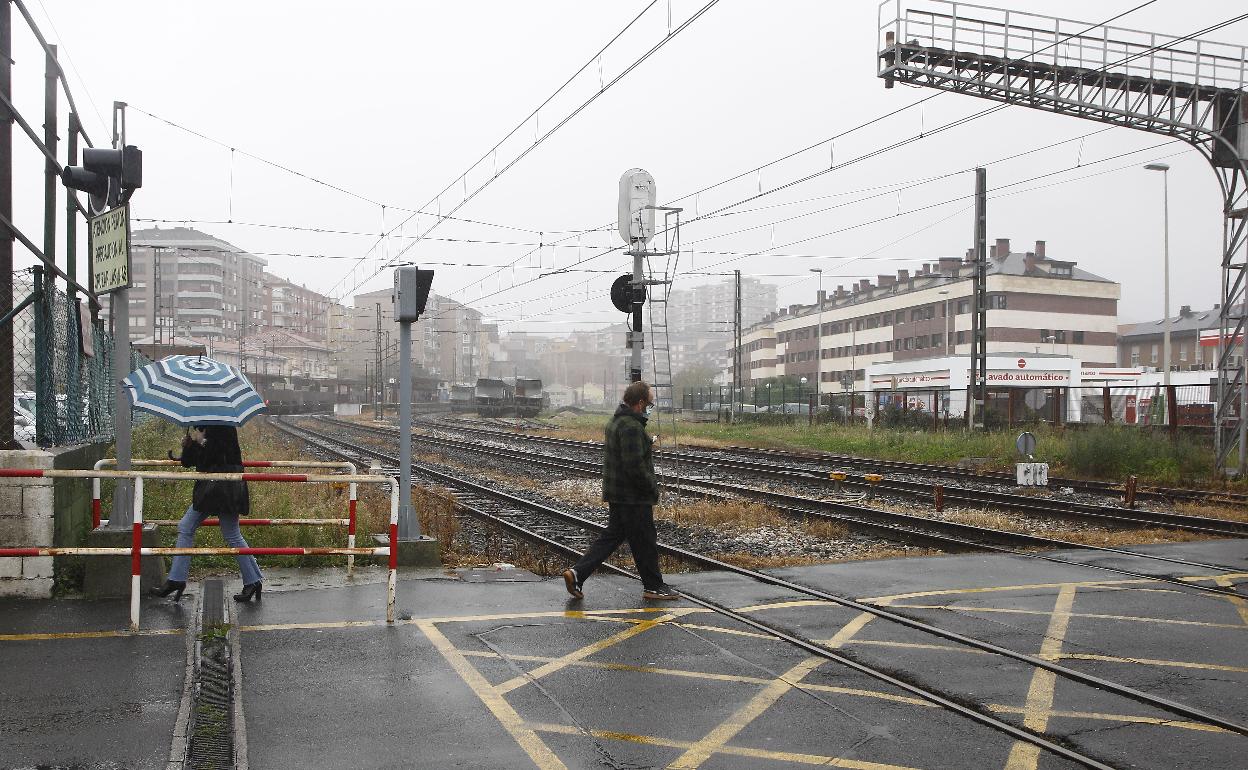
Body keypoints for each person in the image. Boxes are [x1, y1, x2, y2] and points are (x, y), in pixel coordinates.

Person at [563, 381, 678, 601]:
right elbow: (634, 464)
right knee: (645, 541)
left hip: (618, 493)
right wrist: (651, 488)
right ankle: (653, 587)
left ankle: (577, 573)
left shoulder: (616, 422)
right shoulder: (631, 427)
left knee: (612, 536)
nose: (650, 408)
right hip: (633, 496)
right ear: (641, 402)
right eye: (650, 403)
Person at [150, 425, 263, 602]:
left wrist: (202, 441)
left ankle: (177, 580)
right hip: (212, 490)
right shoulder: (205, 427)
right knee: (193, 527)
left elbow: (219, 457)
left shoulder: (224, 427)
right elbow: (190, 462)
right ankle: (176, 580)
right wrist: (189, 445)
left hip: (223, 488)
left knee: (228, 534)